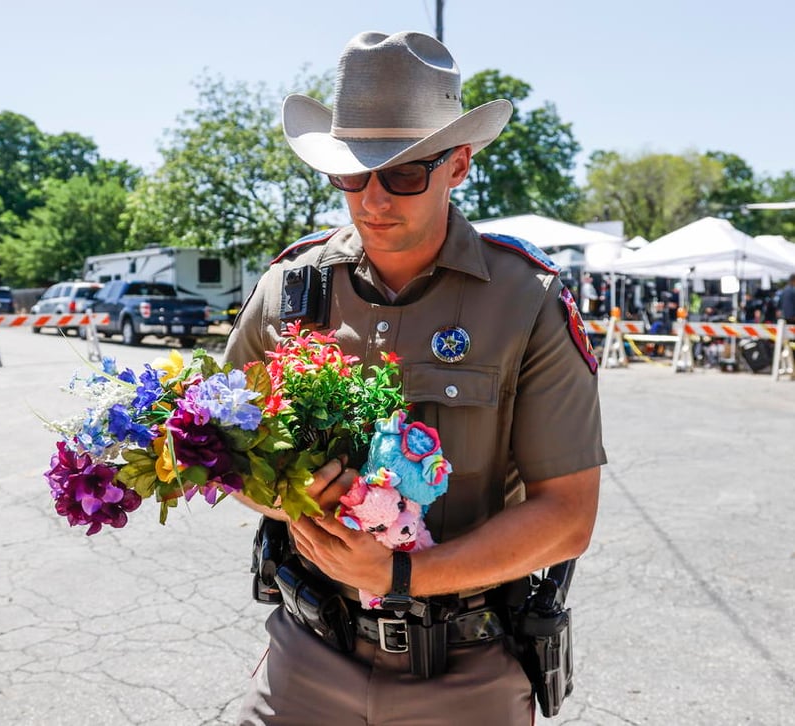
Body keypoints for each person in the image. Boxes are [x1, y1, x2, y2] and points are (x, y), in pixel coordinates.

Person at [224, 30, 605, 726]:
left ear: (458, 164)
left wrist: (400, 575)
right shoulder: (288, 288)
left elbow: (567, 517)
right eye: (351, 174)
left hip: (464, 675)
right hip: (308, 656)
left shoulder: (526, 300)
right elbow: (220, 447)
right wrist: (285, 496)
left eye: (402, 174)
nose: (372, 199)